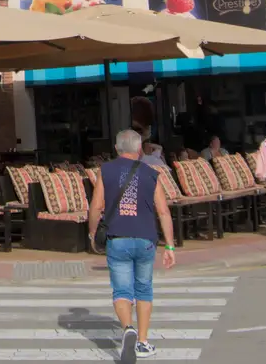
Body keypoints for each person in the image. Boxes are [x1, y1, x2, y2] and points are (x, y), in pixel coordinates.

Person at [87, 129, 177, 360]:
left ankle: (128, 328)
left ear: (117, 149)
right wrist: (169, 246)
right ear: (139, 149)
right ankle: (143, 342)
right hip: (146, 238)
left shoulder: (105, 171)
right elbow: (164, 211)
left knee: (122, 290)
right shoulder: (151, 173)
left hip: (117, 238)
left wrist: (92, 233)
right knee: (144, 289)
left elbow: (96, 207)